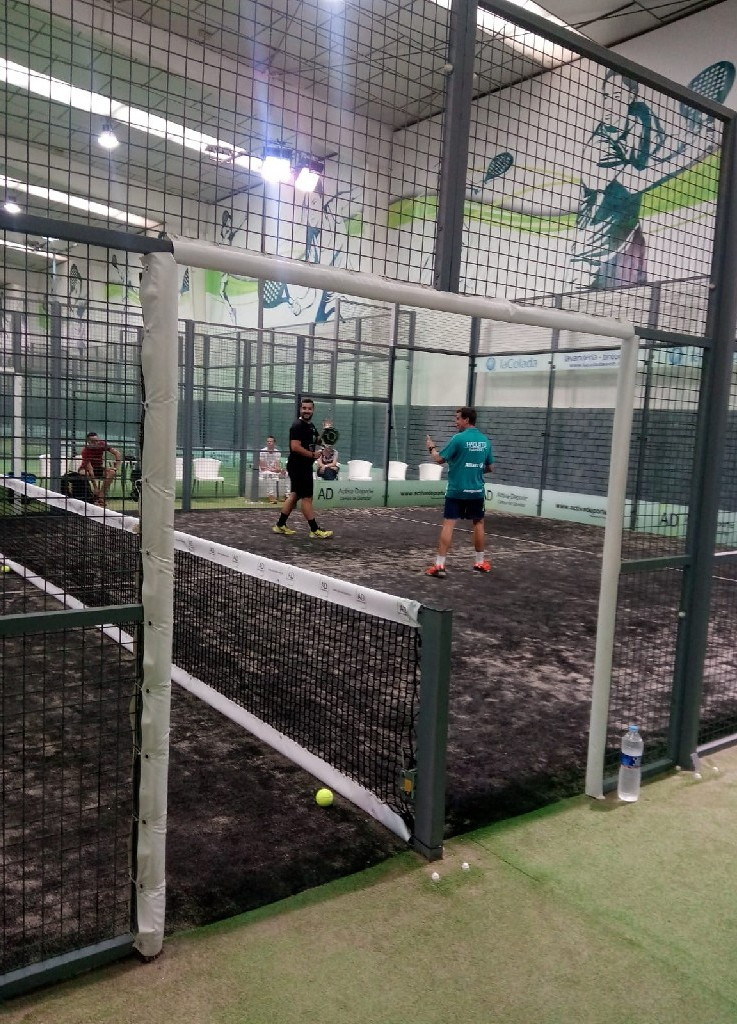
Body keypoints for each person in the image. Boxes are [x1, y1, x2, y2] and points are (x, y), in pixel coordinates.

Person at [425, 408, 494, 577]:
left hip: (456, 490)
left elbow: (439, 459)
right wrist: (474, 472)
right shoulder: (485, 441)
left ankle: (439, 566)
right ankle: (480, 562)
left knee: (449, 524)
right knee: (478, 523)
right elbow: (490, 467)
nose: (455, 422)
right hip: (476, 491)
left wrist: (431, 448)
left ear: (466, 420)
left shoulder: (458, 439)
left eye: (458, 419)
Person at [273, 398, 333, 539]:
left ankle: (280, 525)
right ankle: (314, 529)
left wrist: (326, 431)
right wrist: (312, 454)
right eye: (304, 408)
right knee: (307, 498)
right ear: (300, 409)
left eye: (309, 408)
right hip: (298, 466)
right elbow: (295, 447)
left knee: (294, 496)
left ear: (313, 410)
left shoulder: (310, 426)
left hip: (303, 466)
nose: (307, 411)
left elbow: (318, 440)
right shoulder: (297, 426)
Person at [78, 431, 122, 507]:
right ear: (88, 442)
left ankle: (101, 494)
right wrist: (95, 487)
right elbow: (90, 469)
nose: (96, 443)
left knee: (112, 472)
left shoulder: (102, 444)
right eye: (93, 441)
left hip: (99, 468)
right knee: (85, 474)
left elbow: (117, 453)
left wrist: (116, 468)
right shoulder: (85, 451)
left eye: (97, 441)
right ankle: (90, 495)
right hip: (86, 469)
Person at [259, 435, 286, 503]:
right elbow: (262, 467)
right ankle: (271, 495)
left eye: (270, 441)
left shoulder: (277, 452)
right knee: (270, 474)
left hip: (274, 471)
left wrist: (280, 470)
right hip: (264, 472)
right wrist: (273, 469)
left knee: (288, 474)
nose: (269, 442)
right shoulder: (262, 451)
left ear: (274, 443)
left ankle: (287, 495)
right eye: (268, 441)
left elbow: (277, 466)